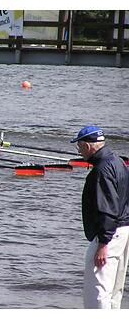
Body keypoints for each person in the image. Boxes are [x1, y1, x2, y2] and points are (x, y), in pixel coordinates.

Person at [70, 125, 129, 309]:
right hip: (124, 230)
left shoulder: (101, 170)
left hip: (109, 234)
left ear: (87, 146)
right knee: (114, 290)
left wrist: (103, 244)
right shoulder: (117, 161)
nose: (78, 151)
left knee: (98, 292)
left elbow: (107, 209)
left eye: (79, 146)